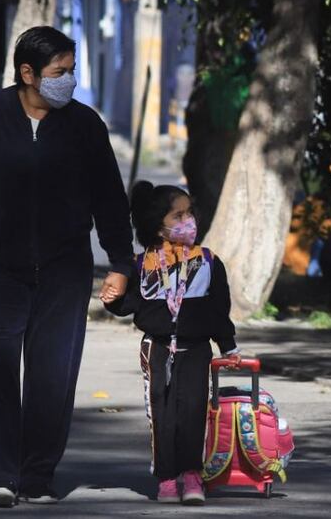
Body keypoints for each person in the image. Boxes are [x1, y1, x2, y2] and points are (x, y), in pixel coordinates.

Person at [0, 26, 134, 507]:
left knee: (52, 376)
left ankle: (37, 473)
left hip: (64, 270)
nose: (68, 80)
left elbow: (109, 198)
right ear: (27, 74)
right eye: (57, 72)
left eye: (71, 71)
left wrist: (120, 262)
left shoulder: (85, 126)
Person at [101, 181, 240, 506]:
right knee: (162, 415)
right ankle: (166, 478)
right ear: (157, 223)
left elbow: (219, 309)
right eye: (178, 215)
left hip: (196, 351)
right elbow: (130, 305)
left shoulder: (208, 262)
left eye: (189, 213)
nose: (187, 220)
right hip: (157, 349)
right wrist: (112, 300)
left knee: (193, 413)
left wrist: (228, 345)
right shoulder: (143, 264)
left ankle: (192, 476)